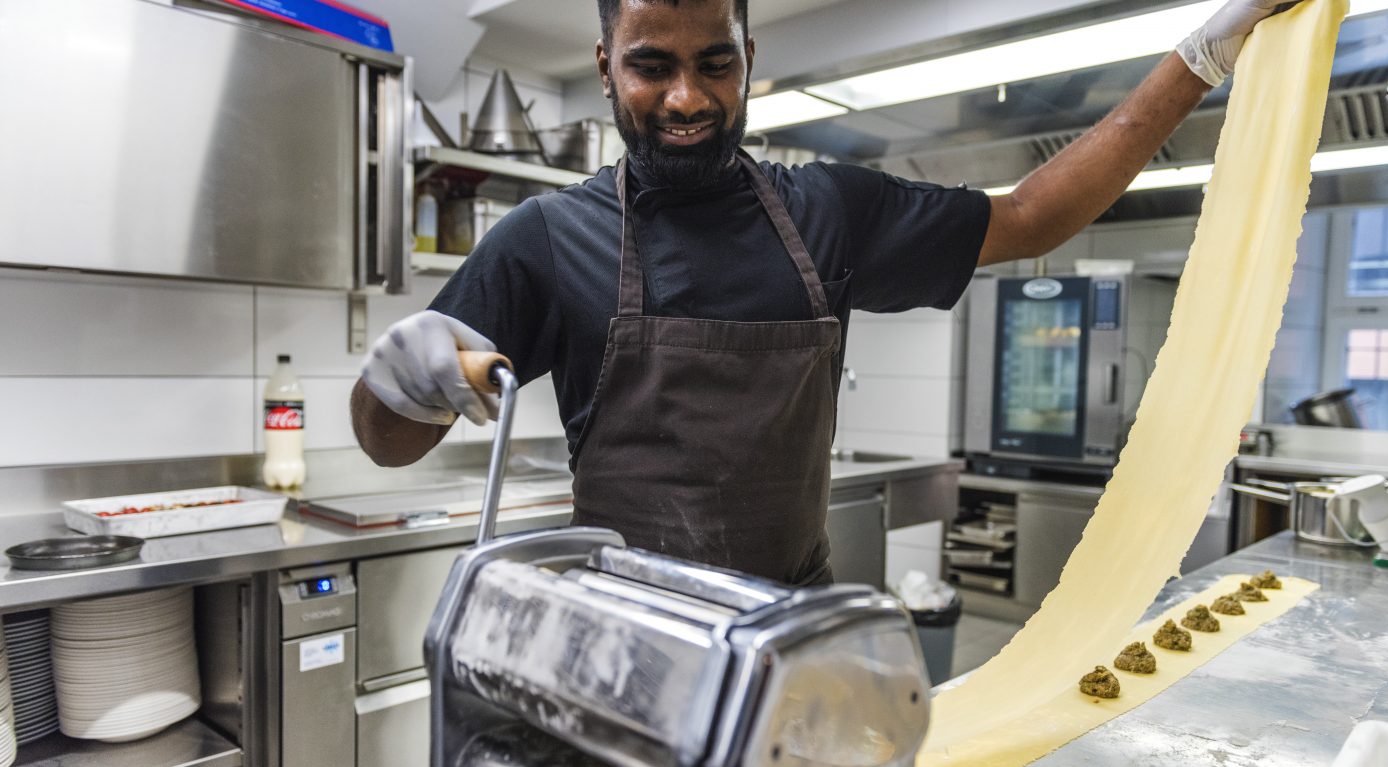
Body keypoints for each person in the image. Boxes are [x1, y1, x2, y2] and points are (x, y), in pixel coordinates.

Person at [352, 0, 1305, 585]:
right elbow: (389, 446)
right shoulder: (547, 242)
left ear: (748, 59)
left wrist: (1202, 56)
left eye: (713, 62)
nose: (687, 96)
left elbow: (1028, 218)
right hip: (627, 637)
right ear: (607, 65)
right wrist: (395, 386)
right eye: (652, 65)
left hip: (790, 632)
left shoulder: (828, 212)